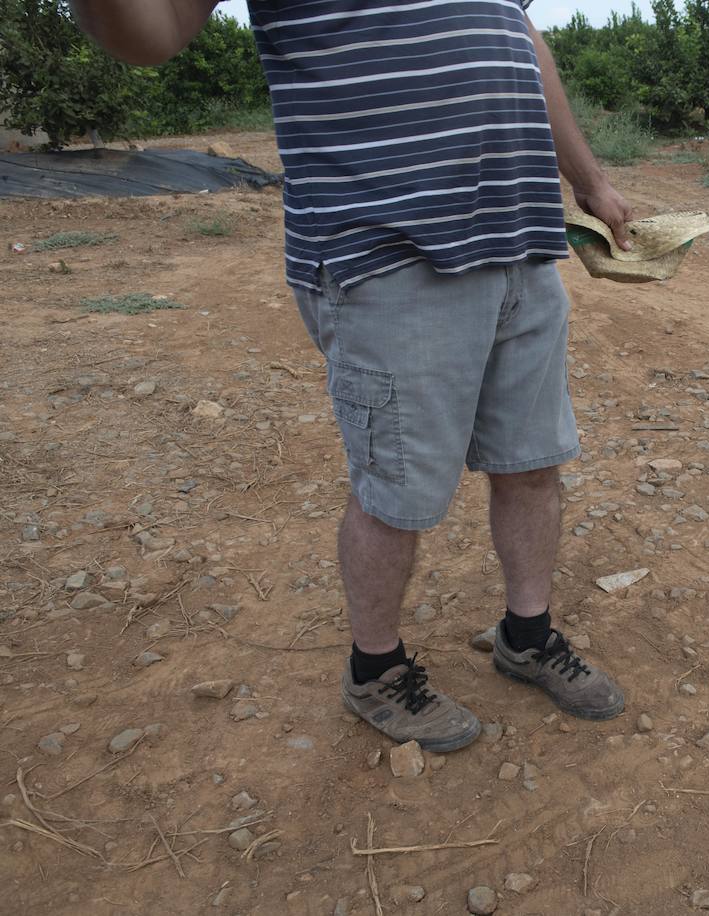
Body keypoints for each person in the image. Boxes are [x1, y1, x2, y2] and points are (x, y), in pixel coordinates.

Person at [76, 0, 632, 751]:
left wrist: (589, 178)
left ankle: (525, 636)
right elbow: (151, 34)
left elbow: (519, 34)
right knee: (395, 494)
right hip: (388, 253)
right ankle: (375, 670)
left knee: (533, 464)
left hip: (520, 237)